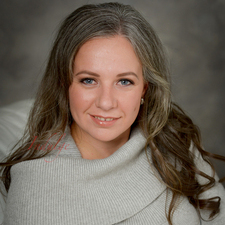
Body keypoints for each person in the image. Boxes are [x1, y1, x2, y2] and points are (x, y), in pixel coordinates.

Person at [0, 2, 225, 225]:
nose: (106, 102)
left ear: (144, 88)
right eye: (88, 80)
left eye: (124, 81)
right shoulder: (34, 189)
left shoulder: (172, 139)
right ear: (64, 84)